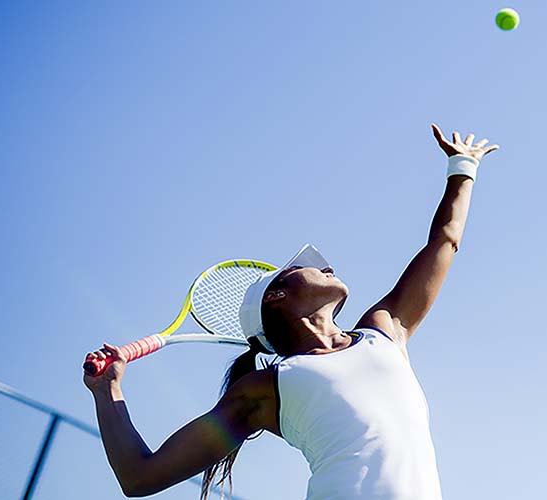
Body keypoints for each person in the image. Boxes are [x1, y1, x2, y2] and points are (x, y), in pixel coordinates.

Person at [83, 123, 499, 499]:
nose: (326, 265)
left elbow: (444, 243)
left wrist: (463, 167)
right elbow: (139, 477)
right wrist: (108, 391)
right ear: (275, 296)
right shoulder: (265, 389)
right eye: (308, 265)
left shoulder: (384, 329)